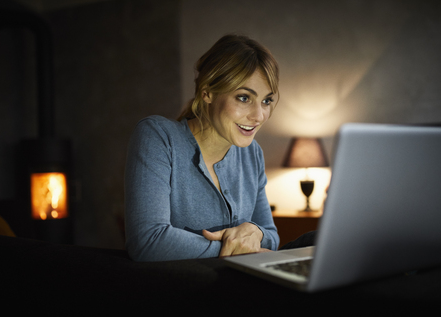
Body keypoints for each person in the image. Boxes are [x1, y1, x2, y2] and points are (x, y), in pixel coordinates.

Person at [125, 34, 310, 262]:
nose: (259, 116)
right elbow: (147, 241)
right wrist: (235, 250)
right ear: (208, 92)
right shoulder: (158, 136)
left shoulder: (253, 154)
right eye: (244, 98)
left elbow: (271, 236)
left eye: (267, 101)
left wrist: (256, 232)